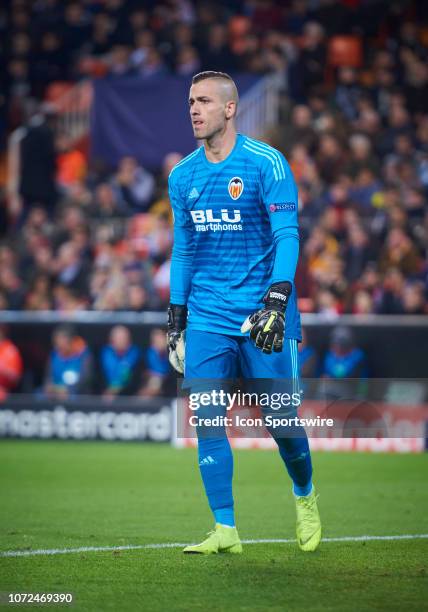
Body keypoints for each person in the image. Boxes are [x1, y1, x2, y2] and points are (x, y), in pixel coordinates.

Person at [167, 71, 321, 555]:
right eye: (191, 101)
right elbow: (184, 251)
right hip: (209, 315)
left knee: (282, 422)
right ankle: (226, 529)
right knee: (207, 418)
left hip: (263, 314)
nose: (194, 109)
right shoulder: (182, 175)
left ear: (230, 109)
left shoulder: (266, 163)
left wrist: (277, 298)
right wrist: (177, 320)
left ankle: (304, 494)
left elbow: (287, 235)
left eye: (205, 101)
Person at [44, 324, 93, 398]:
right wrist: (49, 387)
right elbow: (48, 377)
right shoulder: (54, 354)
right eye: (56, 342)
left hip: (76, 393)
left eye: (62, 340)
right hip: (55, 392)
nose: (59, 346)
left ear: (71, 341)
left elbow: (85, 378)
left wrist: (68, 390)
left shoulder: (83, 354)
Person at [100, 325, 142, 398]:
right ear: (112, 339)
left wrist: (114, 390)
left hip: (128, 396)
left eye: (124, 338)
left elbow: (135, 379)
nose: (122, 340)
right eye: (119, 338)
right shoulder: (103, 353)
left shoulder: (136, 354)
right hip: (104, 396)